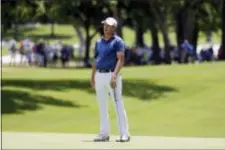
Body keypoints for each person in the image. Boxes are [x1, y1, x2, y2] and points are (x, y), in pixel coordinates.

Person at [90, 17, 130, 142]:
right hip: (99, 75)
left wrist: (114, 76)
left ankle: (124, 134)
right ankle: (104, 134)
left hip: (112, 75)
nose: (105, 27)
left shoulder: (118, 41)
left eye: (108, 26)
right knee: (102, 105)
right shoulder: (98, 42)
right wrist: (92, 76)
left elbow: (120, 59)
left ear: (113, 28)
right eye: (104, 25)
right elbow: (96, 60)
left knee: (118, 104)